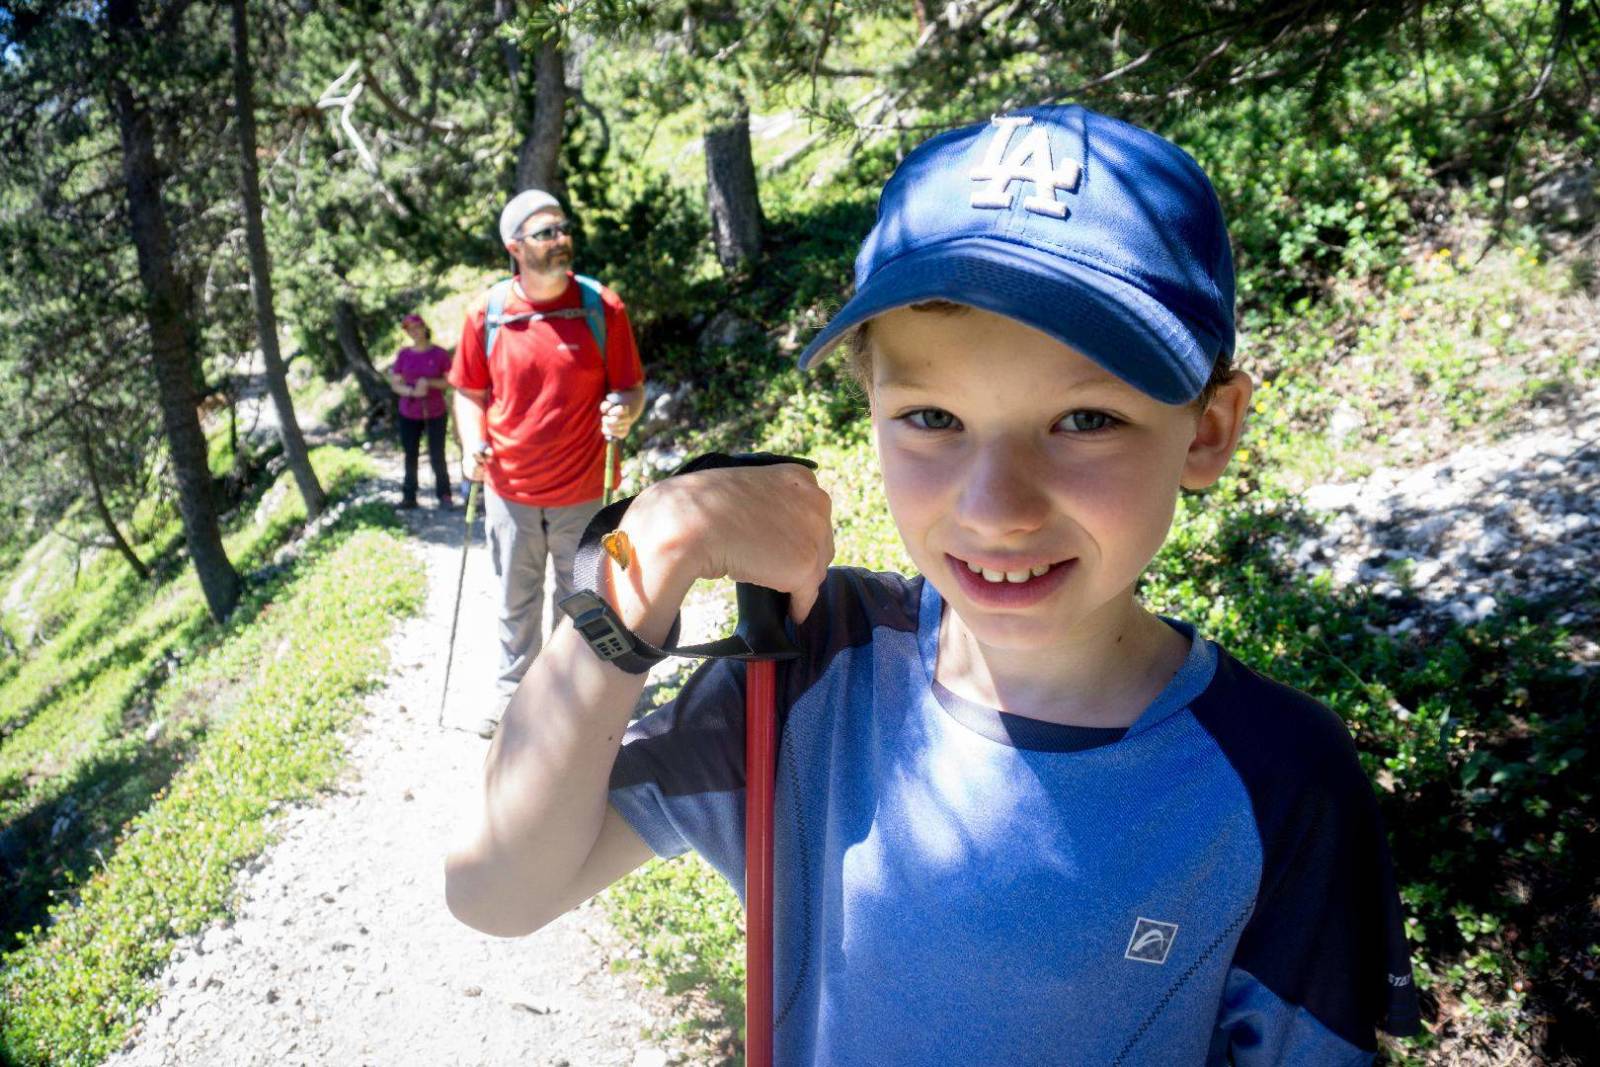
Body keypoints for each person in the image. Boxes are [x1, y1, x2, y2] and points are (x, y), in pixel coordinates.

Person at [444, 106, 1422, 1063]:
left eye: (1085, 419)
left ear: (1207, 429)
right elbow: (497, 887)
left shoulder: (1280, 778)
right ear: (868, 406)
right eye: (932, 417)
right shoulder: (808, 668)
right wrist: (643, 562)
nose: (997, 507)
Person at [448, 189, 646, 738]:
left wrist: (624, 414)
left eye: (563, 228)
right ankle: (514, 694)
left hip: (584, 485)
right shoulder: (486, 314)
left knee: (580, 594)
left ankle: (571, 699)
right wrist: (470, 445)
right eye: (545, 233)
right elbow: (468, 391)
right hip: (508, 485)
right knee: (515, 593)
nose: (561, 240)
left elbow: (630, 387)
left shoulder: (601, 307)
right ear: (515, 246)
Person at [388, 313, 454, 510]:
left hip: (435, 411)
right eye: (410, 330)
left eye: (417, 327)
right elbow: (395, 384)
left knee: (437, 453)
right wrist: (412, 391)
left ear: (424, 327)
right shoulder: (404, 355)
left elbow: (449, 381)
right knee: (411, 453)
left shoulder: (440, 354)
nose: (414, 332)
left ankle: (444, 494)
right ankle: (409, 496)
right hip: (409, 412)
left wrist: (429, 383)